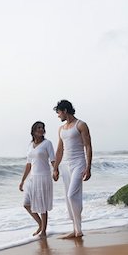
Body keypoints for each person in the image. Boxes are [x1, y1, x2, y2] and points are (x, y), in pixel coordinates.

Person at [52, 100, 92, 238]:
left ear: (64, 110)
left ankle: (78, 229)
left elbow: (88, 146)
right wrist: (55, 168)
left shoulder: (80, 125)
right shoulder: (61, 129)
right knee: (68, 198)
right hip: (66, 166)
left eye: (58, 113)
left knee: (72, 195)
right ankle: (75, 229)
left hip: (79, 163)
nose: (58, 116)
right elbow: (59, 150)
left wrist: (88, 167)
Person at [19, 121, 55, 238]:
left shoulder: (47, 143)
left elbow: (53, 160)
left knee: (42, 206)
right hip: (32, 178)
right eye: (39, 127)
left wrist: (55, 170)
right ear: (33, 130)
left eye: (43, 128)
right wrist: (22, 181)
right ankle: (40, 224)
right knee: (26, 204)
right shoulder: (30, 145)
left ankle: (43, 231)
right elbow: (28, 164)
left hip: (44, 177)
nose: (41, 129)